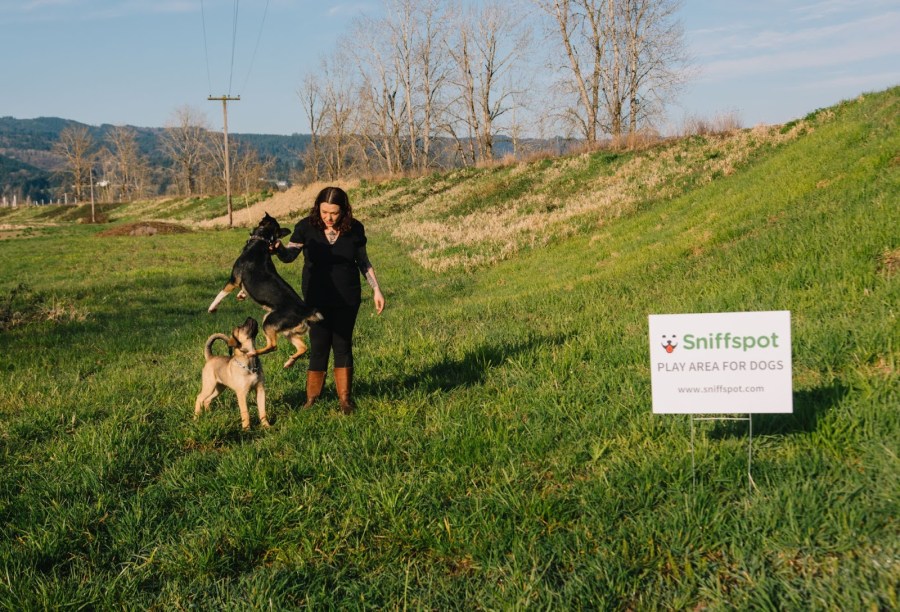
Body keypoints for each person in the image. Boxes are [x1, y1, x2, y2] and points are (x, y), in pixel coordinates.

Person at [273, 186, 385, 414]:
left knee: (343, 345)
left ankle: (345, 400)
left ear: (344, 210)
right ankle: (312, 399)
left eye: (334, 213)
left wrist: (377, 290)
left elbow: (363, 261)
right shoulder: (305, 227)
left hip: (347, 296)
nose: (329, 217)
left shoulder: (355, 228)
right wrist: (278, 249)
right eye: (324, 212)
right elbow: (289, 256)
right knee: (319, 345)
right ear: (318, 208)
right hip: (315, 297)